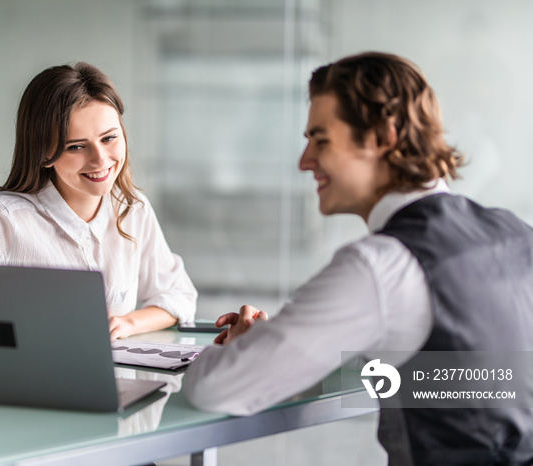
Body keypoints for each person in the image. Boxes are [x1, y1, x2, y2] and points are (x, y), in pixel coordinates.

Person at [182, 52, 533, 464]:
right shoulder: (513, 232)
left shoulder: (380, 266)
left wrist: (246, 348)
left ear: (384, 136)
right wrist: (296, 336)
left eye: (321, 140)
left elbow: (214, 389)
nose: (304, 160)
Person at [0, 62, 197, 341]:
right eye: (77, 146)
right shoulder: (7, 221)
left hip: (115, 385)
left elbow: (177, 295)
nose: (99, 159)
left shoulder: (132, 209)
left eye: (109, 138)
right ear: (45, 152)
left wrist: (128, 323)